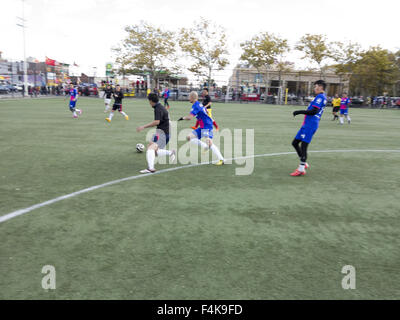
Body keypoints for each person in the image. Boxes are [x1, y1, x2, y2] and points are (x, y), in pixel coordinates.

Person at [290, 80, 327, 177]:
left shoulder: (320, 97)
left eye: (315, 87)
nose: (314, 89)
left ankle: (301, 169)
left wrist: (299, 111)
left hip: (311, 124)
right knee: (295, 143)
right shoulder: (320, 97)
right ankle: (304, 162)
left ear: (320, 87)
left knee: (304, 146)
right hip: (306, 124)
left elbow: (314, 111)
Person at [178, 91, 224, 166]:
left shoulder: (196, 106)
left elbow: (189, 117)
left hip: (206, 126)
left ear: (192, 98)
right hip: (202, 126)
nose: (188, 98)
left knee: (209, 142)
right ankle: (205, 146)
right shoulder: (199, 104)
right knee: (189, 137)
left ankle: (221, 159)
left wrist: (182, 118)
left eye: (189, 97)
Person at [136, 93, 176, 174]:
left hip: (163, 133)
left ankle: (151, 168)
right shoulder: (161, 107)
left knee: (151, 149)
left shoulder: (158, 109)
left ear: (151, 101)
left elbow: (156, 122)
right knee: (151, 149)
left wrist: (143, 127)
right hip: (162, 132)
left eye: (149, 101)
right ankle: (170, 153)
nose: (149, 103)